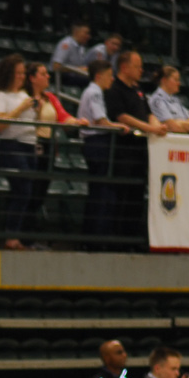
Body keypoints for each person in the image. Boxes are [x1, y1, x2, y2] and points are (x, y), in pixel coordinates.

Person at [104, 50, 166, 242]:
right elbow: (121, 116)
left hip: (141, 150)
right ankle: (117, 241)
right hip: (123, 150)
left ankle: (131, 239)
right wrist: (149, 128)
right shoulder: (114, 89)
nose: (141, 70)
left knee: (137, 197)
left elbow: (148, 112)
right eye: (137, 66)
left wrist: (156, 125)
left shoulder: (137, 90)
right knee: (122, 196)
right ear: (124, 67)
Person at [0, 52, 45, 250]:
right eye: (19, 73)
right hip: (12, 145)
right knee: (22, 188)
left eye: (23, 73)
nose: (22, 76)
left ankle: (18, 235)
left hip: (29, 145)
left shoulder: (24, 95)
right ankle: (11, 236)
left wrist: (36, 109)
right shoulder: (0, 96)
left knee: (28, 191)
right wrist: (20, 109)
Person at [77, 60, 118, 243]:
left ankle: (93, 235)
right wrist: (119, 126)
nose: (112, 79)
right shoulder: (94, 93)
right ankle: (95, 236)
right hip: (96, 142)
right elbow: (101, 120)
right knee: (100, 190)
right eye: (109, 75)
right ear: (99, 76)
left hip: (95, 142)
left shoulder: (94, 92)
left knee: (99, 190)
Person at [147, 65, 189, 132]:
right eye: (176, 80)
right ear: (164, 80)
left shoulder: (176, 100)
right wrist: (186, 125)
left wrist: (179, 123)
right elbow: (173, 127)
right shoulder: (157, 101)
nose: (179, 83)